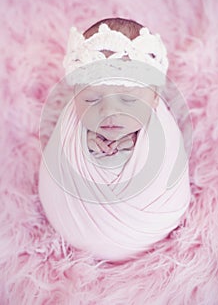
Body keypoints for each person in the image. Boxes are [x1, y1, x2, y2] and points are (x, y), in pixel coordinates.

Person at [38, 17, 191, 262]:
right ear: (75, 94)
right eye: (91, 99)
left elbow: (164, 171)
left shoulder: (161, 137)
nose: (109, 112)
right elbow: (61, 159)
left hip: (146, 224)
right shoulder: (72, 124)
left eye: (129, 100)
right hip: (73, 221)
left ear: (153, 100)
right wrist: (87, 148)